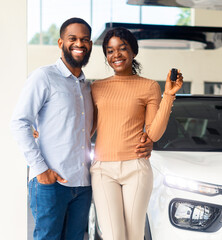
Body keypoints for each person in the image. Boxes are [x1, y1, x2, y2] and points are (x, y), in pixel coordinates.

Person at [10, 18, 152, 240]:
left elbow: (104, 124)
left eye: (85, 39)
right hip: (51, 182)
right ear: (60, 43)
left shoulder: (88, 87)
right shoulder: (44, 77)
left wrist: (147, 139)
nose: (80, 44)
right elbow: (19, 122)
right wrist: (40, 170)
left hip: (83, 184)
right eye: (73, 39)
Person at [90, 27, 183, 240]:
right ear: (106, 56)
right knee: (114, 236)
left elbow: (154, 133)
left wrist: (168, 95)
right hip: (103, 170)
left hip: (136, 168)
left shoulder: (149, 86)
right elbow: (87, 128)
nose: (116, 55)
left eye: (122, 49)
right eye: (110, 51)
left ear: (133, 51)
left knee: (134, 235)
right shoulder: (96, 87)